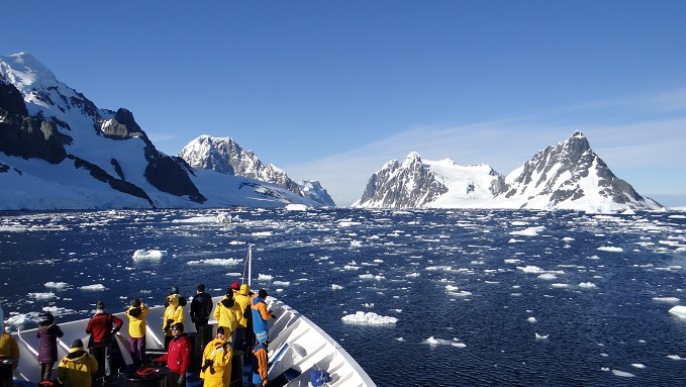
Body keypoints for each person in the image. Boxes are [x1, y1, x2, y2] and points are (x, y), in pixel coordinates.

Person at [85, 301, 123, 379]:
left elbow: (88, 331)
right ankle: (108, 374)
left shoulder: (93, 319)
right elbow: (120, 322)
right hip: (107, 340)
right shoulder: (108, 316)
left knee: (96, 358)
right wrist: (115, 331)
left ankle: (98, 374)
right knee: (107, 357)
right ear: (104, 308)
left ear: (97, 308)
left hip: (96, 342)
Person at [155, 322, 190, 387]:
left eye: (176, 329)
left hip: (178, 373)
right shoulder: (172, 342)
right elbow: (169, 356)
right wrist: (157, 360)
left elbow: (186, 360)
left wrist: (182, 375)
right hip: (170, 371)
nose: (173, 331)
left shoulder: (184, 343)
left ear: (181, 331)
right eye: (173, 329)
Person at [36, 311, 63, 381]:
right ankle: (45, 384)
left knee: (43, 369)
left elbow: (37, 336)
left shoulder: (40, 328)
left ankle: (42, 383)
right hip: (51, 353)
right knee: (48, 371)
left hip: (42, 353)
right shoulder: (55, 328)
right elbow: (61, 334)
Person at [125, 298, 149, 365]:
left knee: (133, 347)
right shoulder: (142, 313)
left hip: (132, 332)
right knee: (142, 346)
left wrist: (132, 306)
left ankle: (135, 361)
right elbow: (147, 309)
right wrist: (142, 304)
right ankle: (143, 360)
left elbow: (126, 312)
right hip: (140, 332)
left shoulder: (129, 314)